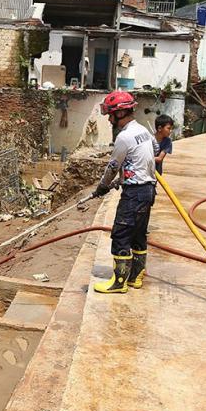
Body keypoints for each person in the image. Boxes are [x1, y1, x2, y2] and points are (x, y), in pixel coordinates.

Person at [91, 90, 158, 294]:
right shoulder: (143, 130)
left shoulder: (124, 137)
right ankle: (135, 278)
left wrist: (102, 186)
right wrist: (129, 174)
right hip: (148, 189)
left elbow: (112, 166)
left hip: (134, 194)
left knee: (121, 234)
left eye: (111, 115)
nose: (110, 119)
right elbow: (154, 150)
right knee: (138, 234)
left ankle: (119, 282)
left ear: (120, 114)